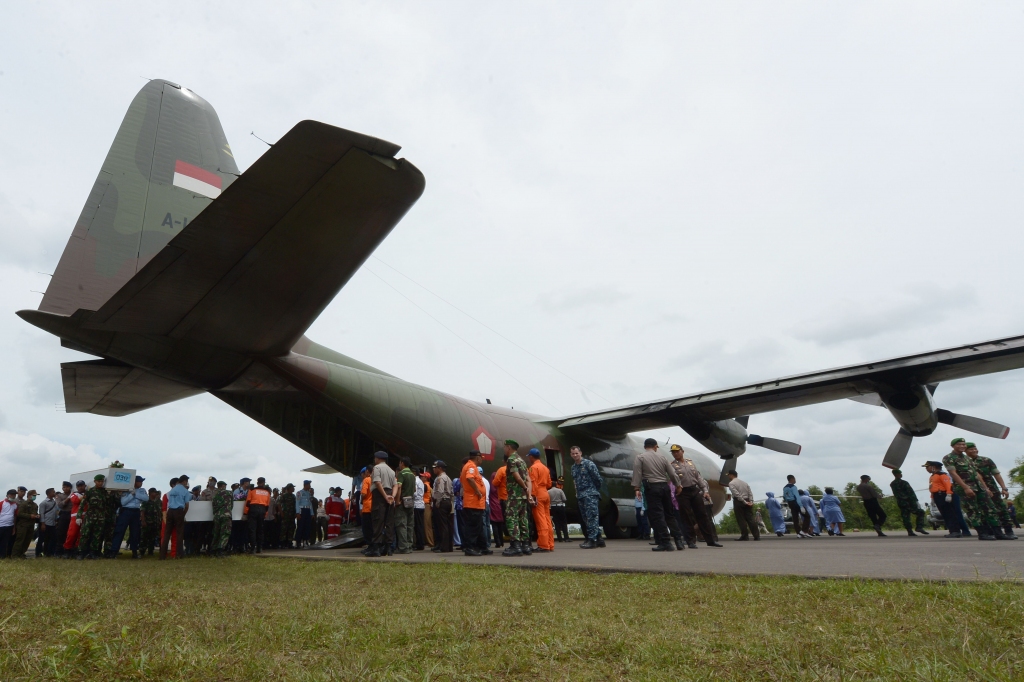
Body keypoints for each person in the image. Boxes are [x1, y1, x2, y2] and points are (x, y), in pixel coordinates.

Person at [943, 437, 1003, 540]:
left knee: (990, 508)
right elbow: (953, 474)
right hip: (966, 487)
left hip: (979, 487)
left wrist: (985, 488)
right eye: (959, 444)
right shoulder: (948, 458)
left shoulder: (967, 458)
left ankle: (998, 533)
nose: (962, 446)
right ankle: (982, 533)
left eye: (963, 444)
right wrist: (966, 488)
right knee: (973, 510)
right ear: (953, 446)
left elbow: (976, 474)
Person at [632, 438, 684, 551]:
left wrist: (636, 488)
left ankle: (665, 542)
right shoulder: (663, 457)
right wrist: (678, 485)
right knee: (669, 515)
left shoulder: (640, 457)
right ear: (655, 446)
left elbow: (637, 473)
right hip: (665, 487)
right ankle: (679, 541)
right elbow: (672, 473)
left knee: (658, 516)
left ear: (645, 447)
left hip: (652, 488)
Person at [669, 444, 723, 548]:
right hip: (682, 492)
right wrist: (678, 486)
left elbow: (698, 477)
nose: (675, 453)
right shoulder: (672, 465)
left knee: (703, 515)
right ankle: (690, 541)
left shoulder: (690, 463)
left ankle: (711, 540)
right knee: (686, 517)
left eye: (677, 451)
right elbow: (672, 478)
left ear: (682, 451)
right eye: (673, 452)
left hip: (694, 490)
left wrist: (705, 490)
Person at [966, 442, 1018, 540]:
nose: (974, 451)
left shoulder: (986, 460)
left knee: (1001, 508)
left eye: (975, 448)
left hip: (992, 489)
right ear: (965, 451)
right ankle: (990, 532)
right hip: (976, 490)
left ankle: (1009, 531)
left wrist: (1004, 488)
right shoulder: (965, 462)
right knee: (982, 511)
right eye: (971, 449)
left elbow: (996, 474)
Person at [501, 440, 533, 557]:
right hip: (523, 496)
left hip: (514, 495)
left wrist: (524, 487)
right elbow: (528, 479)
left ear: (508, 447)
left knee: (511, 519)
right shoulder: (522, 461)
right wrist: (528, 493)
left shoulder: (511, 460)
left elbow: (516, 476)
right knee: (523, 519)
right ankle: (526, 545)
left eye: (505, 447)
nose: (504, 449)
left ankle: (516, 545)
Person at [571, 445, 606, 549]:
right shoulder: (573, 467)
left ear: (580, 453)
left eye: (577, 453)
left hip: (590, 494)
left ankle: (592, 540)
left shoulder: (588, 464)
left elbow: (598, 479)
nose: (575, 455)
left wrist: (593, 491)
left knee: (592, 517)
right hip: (580, 495)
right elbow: (575, 481)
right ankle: (599, 539)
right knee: (585, 518)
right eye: (573, 453)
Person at [107, 475, 147, 558]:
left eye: (141, 481)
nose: (141, 483)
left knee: (135, 532)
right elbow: (123, 502)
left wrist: (135, 493)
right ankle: (114, 551)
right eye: (139, 481)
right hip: (126, 511)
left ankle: (134, 552)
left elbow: (146, 498)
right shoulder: (126, 490)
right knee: (119, 531)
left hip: (136, 512)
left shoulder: (142, 490)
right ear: (134, 482)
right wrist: (131, 495)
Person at [458, 450, 490, 556]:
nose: (482, 460)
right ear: (477, 458)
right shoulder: (471, 466)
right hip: (473, 502)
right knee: (472, 527)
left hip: (476, 503)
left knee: (478, 526)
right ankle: (470, 548)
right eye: (481, 458)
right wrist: (477, 491)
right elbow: (469, 478)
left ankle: (481, 547)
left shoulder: (471, 466)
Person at [367, 451, 396, 557]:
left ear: (378, 458)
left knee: (378, 520)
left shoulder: (377, 468)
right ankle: (388, 548)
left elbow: (378, 482)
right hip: (389, 494)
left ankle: (376, 548)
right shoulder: (391, 471)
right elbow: (396, 485)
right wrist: (392, 496)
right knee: (389, 521)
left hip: (380, 496)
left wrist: (384, 496)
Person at [527, 449, 555, 553]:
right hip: (545, 493)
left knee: (540, 520)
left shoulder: (533, 468)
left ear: (531, 457)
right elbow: (549, 484)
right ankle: (550, 544)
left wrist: (532, 496)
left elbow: (533, 483)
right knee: (547, 519)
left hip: (538, 494)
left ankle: (543, 545)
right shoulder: (545, 468)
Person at [924, 461, 961, 537]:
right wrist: (932, 498)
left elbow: (948, 485)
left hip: (943, 495)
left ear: (934, 467)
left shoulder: (942, 475)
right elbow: (933, 488)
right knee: (945, 514)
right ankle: (952, 530)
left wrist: (949, 494)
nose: (926, 469)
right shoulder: (933, 476)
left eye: (928, 467)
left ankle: (955, 531)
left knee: (949, 513)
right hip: (937, 495)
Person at [77, 475, 109, 560]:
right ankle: (81, 553)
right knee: (85, 534)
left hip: (100, 517)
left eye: (102, 481)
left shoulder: (105, 492)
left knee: (97, 536)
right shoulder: (90, 492)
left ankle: (93, 553)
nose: (100, 483)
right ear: (95, 481)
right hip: (90, 517)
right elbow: (82, 505)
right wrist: (78, 516)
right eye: (99, 481)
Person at [889, 469, 929, 537]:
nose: (901, 474)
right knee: (920, 512)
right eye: (900, 473)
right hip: (909, 502)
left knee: (906, 517)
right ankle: (919, 527)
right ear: (897, 474)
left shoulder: (892, 484)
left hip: (901, 502)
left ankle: (910, 531)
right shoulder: (904, 483)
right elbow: (911, 493)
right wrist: (916, 501)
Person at [161, 475, 191, 559]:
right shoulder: (185, 491)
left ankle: (162, 554)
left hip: (170, 511)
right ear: (184, 481)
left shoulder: (172, 490)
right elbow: (187, 505)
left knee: (167, 534)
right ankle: (179, 554)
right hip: (179, 511)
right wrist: (183, 514)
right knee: (179, 534)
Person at [393, 457, 417, 554]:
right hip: (411, 500)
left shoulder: (402, 473)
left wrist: (397, 501)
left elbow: (399, 487)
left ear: (402, 463)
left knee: (401, 524)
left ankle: (403, 547)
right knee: (410, 524)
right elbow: (414, 489)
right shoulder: (412, 474)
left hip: (403, 501)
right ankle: (409, 545)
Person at [726, 471, 759, 541]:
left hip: (739, 502)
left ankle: (745, 536)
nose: (728, 477)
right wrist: (751, 501)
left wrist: (744, 502)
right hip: (748, 500)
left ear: (731, 475)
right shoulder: (744, 483)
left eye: (728, 475)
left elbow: (736, 494)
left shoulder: (731, 483)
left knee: (741, 519)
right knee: (750, 519)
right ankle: (756, 535)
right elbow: (750, 493)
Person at [432, 460, 454, 553]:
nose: (434, 469)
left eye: (435, 468)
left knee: (442, 526)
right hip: (448, 501)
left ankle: (443, 547)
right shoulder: (448, 478)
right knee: (448, 525)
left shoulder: (440, 478)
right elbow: (452, 492)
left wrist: (437, 503)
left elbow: (440, 491)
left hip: (442, 502)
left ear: (440, 468)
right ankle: (449, 546)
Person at [244, 477, 271, 553]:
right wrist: (265, 514)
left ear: (257, 482)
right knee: (260, 530)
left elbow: (248, 502)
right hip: (262, 510)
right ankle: (259, 548)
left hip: (253, 509)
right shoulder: (267, 492)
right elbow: (267, 505)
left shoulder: (252, 490)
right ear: (264, 483)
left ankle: (252, 548)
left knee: (252, 529)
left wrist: (245, 512)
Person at [11, 490, 40, 558]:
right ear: (29, 495)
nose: (35, 497)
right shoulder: (24, 504)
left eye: (35, 496)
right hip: (23, 525)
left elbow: (35, 513)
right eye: (34, 495)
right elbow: (19, 514)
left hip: (31, 525)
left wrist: (37, 516)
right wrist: (30, 516)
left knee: (27, 541)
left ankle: (22, 554)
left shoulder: (35, 505)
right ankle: (15, 555)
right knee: (20, 540)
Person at [62, 481, 87, 557]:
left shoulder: (88, 494)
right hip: (75, 517)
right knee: (71, 534)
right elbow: (76, 501)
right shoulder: (73, 494)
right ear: (76, 487)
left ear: (84, 486)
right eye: (79, 486)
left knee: (81, 535)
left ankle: (77, 550)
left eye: (82, 486)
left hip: (85, 516)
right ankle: (67, 550)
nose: (80, 487)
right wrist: (85, 497)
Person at [210, 481, 233, 557]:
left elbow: (214, 506)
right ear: (223, 486)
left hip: (217, 516)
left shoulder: (215, 495)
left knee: (216, 533)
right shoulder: (229, 493)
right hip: (226, 515)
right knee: (225, 533)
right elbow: (231, 505)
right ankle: (220, 550)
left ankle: (213, 550)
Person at [37, 488, 60, 557]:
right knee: (41, 539)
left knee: (53, 539)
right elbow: (42, 514)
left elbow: (55, 513)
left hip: (52, 524)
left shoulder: (54, 502)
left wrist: (56, 521)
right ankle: (38, 553)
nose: (54, 493)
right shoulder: (43, 503)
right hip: (45, 523)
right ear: (49, 493)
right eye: (53, 492)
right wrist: (43, 524)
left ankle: (49, 553)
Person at [140, 488, 162, 556]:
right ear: (150, 493)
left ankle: (150, 551)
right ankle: (142, 551)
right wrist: (143, 521)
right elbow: (142, 512)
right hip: (147, 522)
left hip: (155, 523)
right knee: (144, 538)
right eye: (154, 492)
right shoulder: (146, 501)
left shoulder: (158, 502)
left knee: (152, 538)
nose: (155, 494)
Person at [53, 482, 73, 558]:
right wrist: (68, 498)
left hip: (72, 514)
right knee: (61, 534)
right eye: (64, 487)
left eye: (67, 487)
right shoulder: (59, 495)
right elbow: (60, 505)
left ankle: (68, 551)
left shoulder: (74, 495)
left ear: (70, 488)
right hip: (64, 514)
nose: (65, 488)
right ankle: (58, 552)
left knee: (70, 534)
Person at [296, 480, 314, 548]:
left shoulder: (309, 494)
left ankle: (305, 540)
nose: (310, 486)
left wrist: (312, 513)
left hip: (308, 510)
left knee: (307, 526)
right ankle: (298, 541)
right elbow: (297, 503)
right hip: (302, 510)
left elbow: (310, 504)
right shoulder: (299, 493)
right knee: (300, 526)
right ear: (305, 485)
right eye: (309, 485)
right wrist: (297, 512)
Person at [357, 471, 373, 550]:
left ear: (367, 472)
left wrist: (361, 502)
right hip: (374, 507)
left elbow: (363, 494)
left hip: (366, 507)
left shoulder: (366, 480)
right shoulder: (376, 479)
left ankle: (369, 545)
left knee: (366, 528)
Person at [279, 483, 297, 549]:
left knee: (291, 529)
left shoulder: (293, 496)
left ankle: (290, 542)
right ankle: (282, 543)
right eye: (292, 487)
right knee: (284, 529)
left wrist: (296, 513)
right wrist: (281, 512)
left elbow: (295, 505)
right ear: (289, 488)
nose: (293, 488)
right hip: (285, 515)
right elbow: (278, 504)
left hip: (292, 515)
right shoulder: (284, 496)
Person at [0, 490, 17, 558]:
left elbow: (15, 516)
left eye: (14, 495)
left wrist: (14, 527)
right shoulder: (2, 503)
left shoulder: (15, 505)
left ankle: (2, 556)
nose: (13, 496)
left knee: (5, 542)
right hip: (1, 525)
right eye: (12, 494)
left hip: (9, 526)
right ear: (7, 495)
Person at [421, 471, 434, 548]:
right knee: (426, 524)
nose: (421, 477)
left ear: (426, 478)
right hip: (426, 505)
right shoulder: (428, 485)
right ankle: (428, 541)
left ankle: (430, 542)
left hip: (426, 505)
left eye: (422, 476)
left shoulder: (425, 486)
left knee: (427, 525)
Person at [412, 476, 426, 550]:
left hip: (416, 505)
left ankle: (419, 544)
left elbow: (415, 493)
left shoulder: (415, 481)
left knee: (417, 526)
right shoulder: (420, 481)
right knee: (420, 525)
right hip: (421, 504)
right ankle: (420, 543)